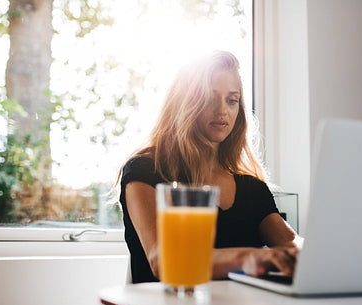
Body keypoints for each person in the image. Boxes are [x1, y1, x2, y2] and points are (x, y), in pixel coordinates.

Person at [119, 50, 301, 285]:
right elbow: (162, 261)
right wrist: (252, 257)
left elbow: (292, 245)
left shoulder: (251, 188)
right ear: (184, 103)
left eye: (232, 100)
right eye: (209, 98)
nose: (222, 110)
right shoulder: (145, 172)